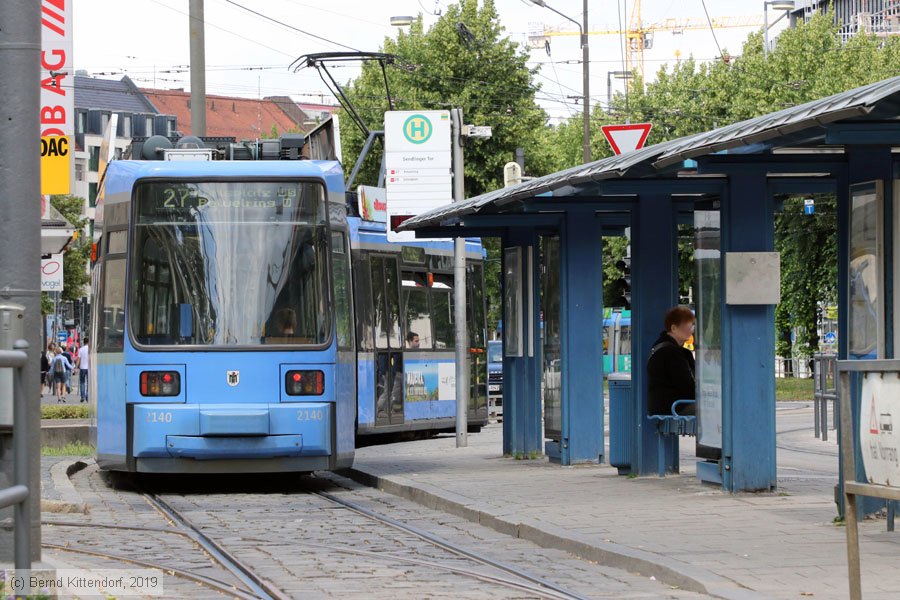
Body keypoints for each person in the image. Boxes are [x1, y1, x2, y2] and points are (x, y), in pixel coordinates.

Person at [647, 306, 696, 416]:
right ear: (673, 328)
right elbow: (687, 386)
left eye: (692, 326)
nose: (691, 330)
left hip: (662, 406)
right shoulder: (672, 353)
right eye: (687, 326)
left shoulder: (659, 347)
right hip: (675, 407)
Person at [77, 337, 89, 403]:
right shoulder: (90, 349)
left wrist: (76, 367)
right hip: (89, 368)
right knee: (89, 383)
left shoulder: (81, 349)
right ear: (89, 342)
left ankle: (82, 397)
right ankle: (87, 396)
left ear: (83, 342)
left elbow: (78, 359)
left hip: (82, 368)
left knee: (82, 382)